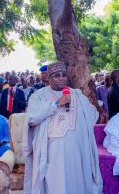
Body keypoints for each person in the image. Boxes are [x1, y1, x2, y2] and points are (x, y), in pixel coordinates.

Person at [24, 61, 103, 194]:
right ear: (49, 78)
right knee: (56, 186)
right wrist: (56, 103)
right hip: (52, 153)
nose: (61, 78)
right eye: (56, 75)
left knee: (76, 183)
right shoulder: (39, 96)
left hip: (77, 152)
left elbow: (92, 115)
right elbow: (31, 118)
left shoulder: (77, 95)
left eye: (63, 75)